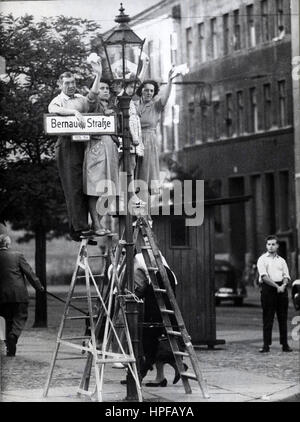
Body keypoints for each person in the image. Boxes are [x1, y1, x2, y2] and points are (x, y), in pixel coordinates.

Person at [48, 72, 92, 241]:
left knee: (85, 186)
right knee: (73, 186)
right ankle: (79, 228)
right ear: (60, 84)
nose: (71, 85)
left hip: (83, 143)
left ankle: (80, 228)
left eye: (73, 82)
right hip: (67, 144)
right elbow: (53, 109)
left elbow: (91, 108)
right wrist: (73, 113)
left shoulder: (81, 98)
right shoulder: (59, 100)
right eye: (67, 83)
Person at [83, 61, 119, 236]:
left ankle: (98, 222)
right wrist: (97, 75)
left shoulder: (113, 108)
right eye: (101, 88)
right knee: (95, 188)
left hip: (111, 150)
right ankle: (96, 224)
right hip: (96, 148)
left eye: (107, 88)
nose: (105, 90)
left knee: (110, 190)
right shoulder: (92, 105)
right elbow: (91, 97)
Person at [134, 69, 176, 207]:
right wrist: (144, 66)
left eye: (152, 91)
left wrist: (170, 80)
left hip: (148, 143)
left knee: (145, 180)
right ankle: (137, 214)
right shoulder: (134, 105)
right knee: (133, 179)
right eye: (146, 90)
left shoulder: (156, 106)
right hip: (134, 141)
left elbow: (166, 96)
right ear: (141, 91)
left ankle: (144, 216)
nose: (149, 93)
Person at [0, 234, 44, 356]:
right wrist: (39, 287)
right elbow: (29, 273)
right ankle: (13, 336)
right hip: (18, 294)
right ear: (8, 244)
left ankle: (10, 348)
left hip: (1, 298)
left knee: (5, 321)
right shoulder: (17, 256)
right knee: (20, 317)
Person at [257, 235, 293, 353]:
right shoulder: (262, 259)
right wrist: (277, 287)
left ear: (277, 246)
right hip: (268, 289)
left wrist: (283, 286)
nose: (271, 247)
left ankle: (285, 344)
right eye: (269, 244)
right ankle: (266, 345)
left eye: (273, 244)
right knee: (268, 318)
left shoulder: (281, 260)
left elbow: (286, 276)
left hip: (281, 290)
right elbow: (264, 276)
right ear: (266, 245)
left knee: (283, 318)